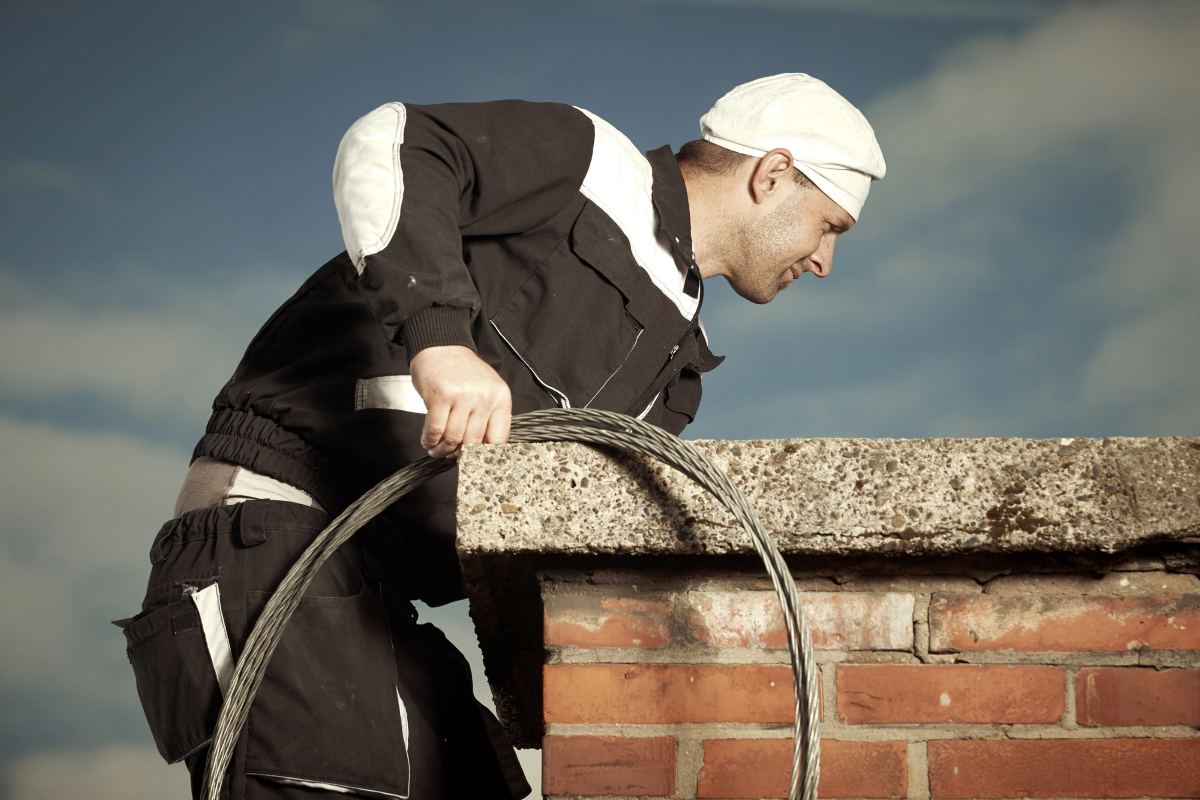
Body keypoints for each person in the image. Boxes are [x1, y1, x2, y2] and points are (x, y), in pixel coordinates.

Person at [116, 73, 885, 800]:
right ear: (773, 173)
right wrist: (439, 339)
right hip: (275, 544)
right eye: (829, 225)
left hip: (381, 603)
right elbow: (392, 142)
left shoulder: (678, 374)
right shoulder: (590, 164)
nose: (824, 261)